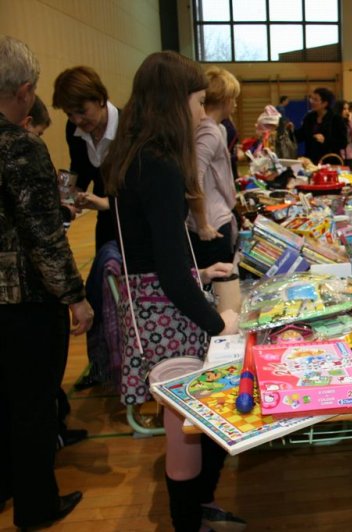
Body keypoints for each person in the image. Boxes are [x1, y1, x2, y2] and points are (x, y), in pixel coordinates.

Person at [101, 50, 242, 532]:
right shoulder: (158, 164)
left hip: (153, 302)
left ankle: (195, 510)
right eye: (199, 102)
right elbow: (164, 264)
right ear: (174, 101)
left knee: (187, 426)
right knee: (187, 427)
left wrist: (199, 275)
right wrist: (217, 323)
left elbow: (150, 253)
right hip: (166, 315)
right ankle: (189, 520)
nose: (203, 113)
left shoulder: (135, 155)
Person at [0, 34, 92, 529]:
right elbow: (43, 238)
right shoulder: (21, 146)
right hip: (23, 303)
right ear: (25, 91)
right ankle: (36, 506)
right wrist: (75, 298)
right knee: (32, 404)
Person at [52, 66, 119, 251]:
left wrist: (106, 203)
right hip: (106, 221)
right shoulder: (73, 129)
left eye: (82, 111)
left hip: (134, 221)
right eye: (69, 114)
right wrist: (65, 197)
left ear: (100, 99)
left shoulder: (129, 127)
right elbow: (77, 169)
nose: (77, 120)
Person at [186, 66, 239, 268]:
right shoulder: (209, 131)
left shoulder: (217, 129)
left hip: (215, 219)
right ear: (225, 100)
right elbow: (193, 178)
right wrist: (202, 225)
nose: (234, 104)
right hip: (212, 226)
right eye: (233, 98)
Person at [295, 87, 347, 165]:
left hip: (330, 162)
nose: (311, 102)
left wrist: (325, 141)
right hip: (311, 162)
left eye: (315, 100)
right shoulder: (309, 118)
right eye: (311, 99)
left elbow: (343, 143)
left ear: (325, 103)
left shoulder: (336, 119)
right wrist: (289, 131)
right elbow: (301, 135)